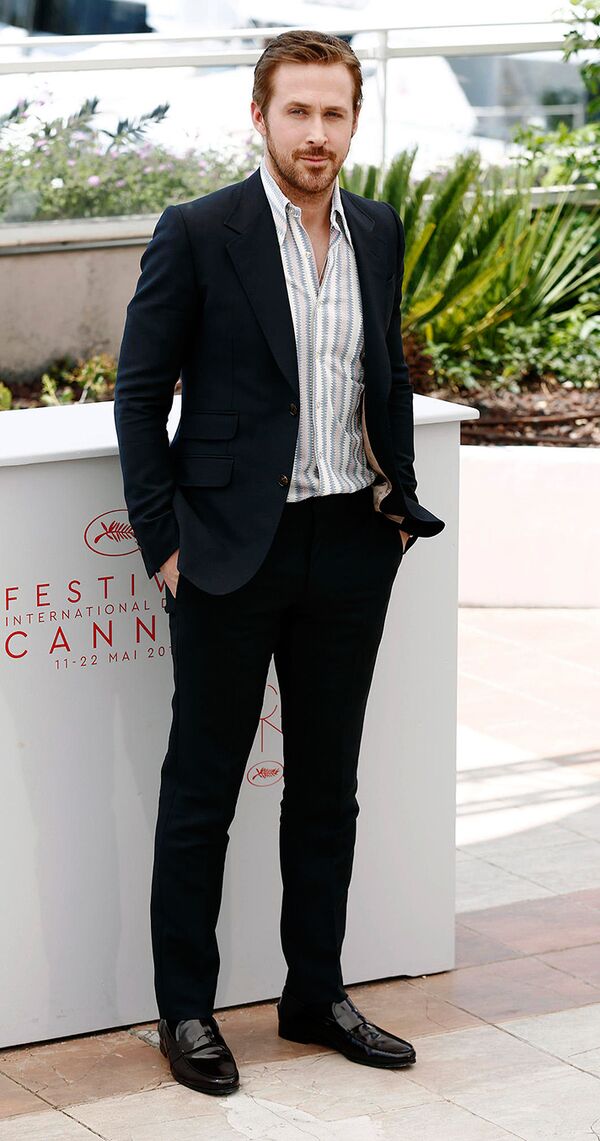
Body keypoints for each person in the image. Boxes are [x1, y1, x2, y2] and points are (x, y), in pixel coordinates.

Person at [114, 28, 445, 1097]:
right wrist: (164, 542)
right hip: (226, 553)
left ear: (354, 121)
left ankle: (315, 993)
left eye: (334, 113)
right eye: (297, 111)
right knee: (202, 790)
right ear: (259, 117)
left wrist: (396, 503)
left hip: (349, 541)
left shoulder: (377, 228)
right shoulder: (198, 231)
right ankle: (187, 1009)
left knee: (327, 788)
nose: (317, 133)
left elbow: (383, 371)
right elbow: (138, 393)